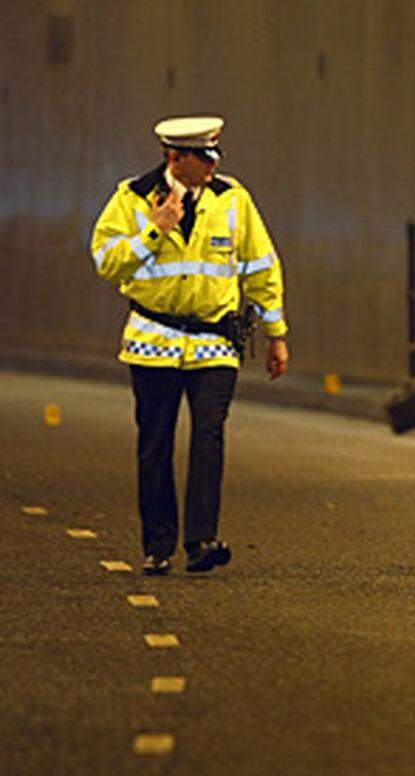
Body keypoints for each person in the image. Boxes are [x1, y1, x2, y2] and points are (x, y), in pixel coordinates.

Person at [91, 116, 289, 575]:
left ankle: (201, 540)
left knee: (209, 433)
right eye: (204, 158)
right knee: (155, 443)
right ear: (175, 159)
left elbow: (261, 267)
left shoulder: (233, 200)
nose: (213, 166)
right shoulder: (132, 198)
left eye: (214, 157)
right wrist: (154, 232)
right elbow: (106, 261)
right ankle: (158, 545)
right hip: (154, 340)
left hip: (214, 343)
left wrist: (277, 334)